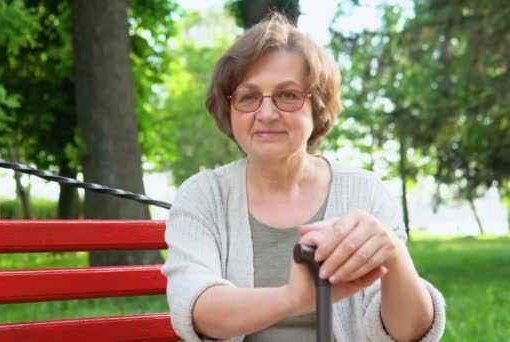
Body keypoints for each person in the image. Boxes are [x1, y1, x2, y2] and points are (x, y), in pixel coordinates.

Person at [162, 13, 445, 342]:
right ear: (230, 108)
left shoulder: (363, 190)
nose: (266, 113)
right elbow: (197, 308)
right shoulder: (203, 194)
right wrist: (294, 299)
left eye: (288, 95)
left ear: (318, 105)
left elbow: (409, 333)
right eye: (249, 97)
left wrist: (393, 254)